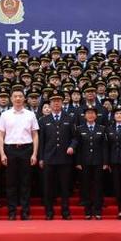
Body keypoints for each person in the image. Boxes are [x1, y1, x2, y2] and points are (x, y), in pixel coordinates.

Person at [0, 89, 40, 220]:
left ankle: (25, 211)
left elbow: (35, 135)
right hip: (10, 149)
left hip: (26, 149)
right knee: (11, 183)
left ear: (24, 98)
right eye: (15, 96)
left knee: (25, 182)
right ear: (11, 99)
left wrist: (34, 154)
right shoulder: (5, 115)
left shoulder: (30, 115)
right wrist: (2, 153)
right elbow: (0, 135)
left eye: (20, 96)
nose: (18, 98)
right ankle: (12, 211)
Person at [38, 89, 76, 220]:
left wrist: (72, 146)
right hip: (49, 158)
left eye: (58, 101)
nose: (56, 103)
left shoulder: (69, 118)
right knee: (48, 187)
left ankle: (65, 212)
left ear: (62, 102)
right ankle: (49, 212)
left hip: (65, 159)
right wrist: (41, 158)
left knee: (65, 187)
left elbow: (75, 138)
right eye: (53, 101)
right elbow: (41, 141)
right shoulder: (43, 120)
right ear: (50, 103)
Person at [73, 106, 109, 219]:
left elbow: (105, 147)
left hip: (98, 162)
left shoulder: (102, 128)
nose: (90, 115)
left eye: (92, 113)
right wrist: (78, 162)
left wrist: (105, 162)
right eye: (88, 113)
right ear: (84, 116)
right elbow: (77, 147)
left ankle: (98, 211)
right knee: (86, 187)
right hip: (84, 162)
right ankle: (88, 211)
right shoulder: (79, 129)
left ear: (96, 116)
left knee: (98, 186)